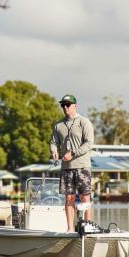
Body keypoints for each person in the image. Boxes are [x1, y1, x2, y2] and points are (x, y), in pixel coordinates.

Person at [49, 94, 95, 233]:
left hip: (82, 166)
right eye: (63, 105)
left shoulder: (84, 122)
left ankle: (87, 226)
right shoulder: (58, 125)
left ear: (75, 106)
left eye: (68, 104)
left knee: (84, 197)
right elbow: (53, 142)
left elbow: (89, 144)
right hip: (66, 168)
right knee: (69, 198)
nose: (65, 107)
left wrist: (73, 153)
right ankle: (69, 228)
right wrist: (54, 152)